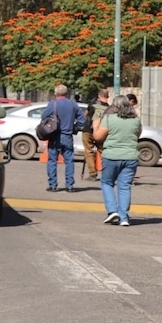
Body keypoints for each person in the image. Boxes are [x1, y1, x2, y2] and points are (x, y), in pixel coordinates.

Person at [93, 94, 142, 226]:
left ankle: (112, 210)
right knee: (124, 186)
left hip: (112, 155)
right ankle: (124, 217)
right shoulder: (136, 120)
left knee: (107, 182)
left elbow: (98, 137)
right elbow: (138, 134)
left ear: (115, 106)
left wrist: (95, 125)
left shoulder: (109, 118)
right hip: (130, 156)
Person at [43, 84, 86, 193]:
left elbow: (43, 117)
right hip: (68, 136)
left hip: (54, 136)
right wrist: (75, 127)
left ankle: (53, 185)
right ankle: (69, 186)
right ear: (67, 94)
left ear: (55, 93)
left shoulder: (53, 104)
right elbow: (82, 120)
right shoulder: (73, 104)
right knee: (69, 161)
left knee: (52, 161)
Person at [82, 88, 110, 181]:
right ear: (107, 96)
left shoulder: (92, 105)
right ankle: (107, 173)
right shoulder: (109, 108)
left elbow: (85, 115)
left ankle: (93, 174)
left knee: (88, 151)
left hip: (88, 130)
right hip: (102, 132)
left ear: (99, 96)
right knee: (103, 152)